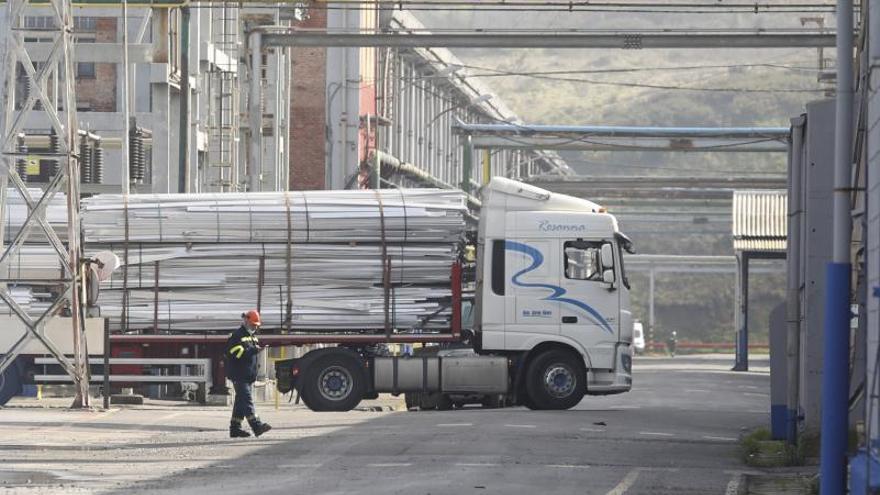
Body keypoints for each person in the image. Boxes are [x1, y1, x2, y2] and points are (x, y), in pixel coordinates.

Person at [225, 310, 272, 438]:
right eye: (253, 325)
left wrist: (256, 349)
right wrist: (253, 350)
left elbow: (249, 352)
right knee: (247, 401)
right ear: (246, 321)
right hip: (239, 375)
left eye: (257, 325)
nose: (255, 327)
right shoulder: (237, 335)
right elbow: (236, 353)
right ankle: (257, 426)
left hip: (247, 376)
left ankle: (235, 429)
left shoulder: (251, 336)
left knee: (240, 403)